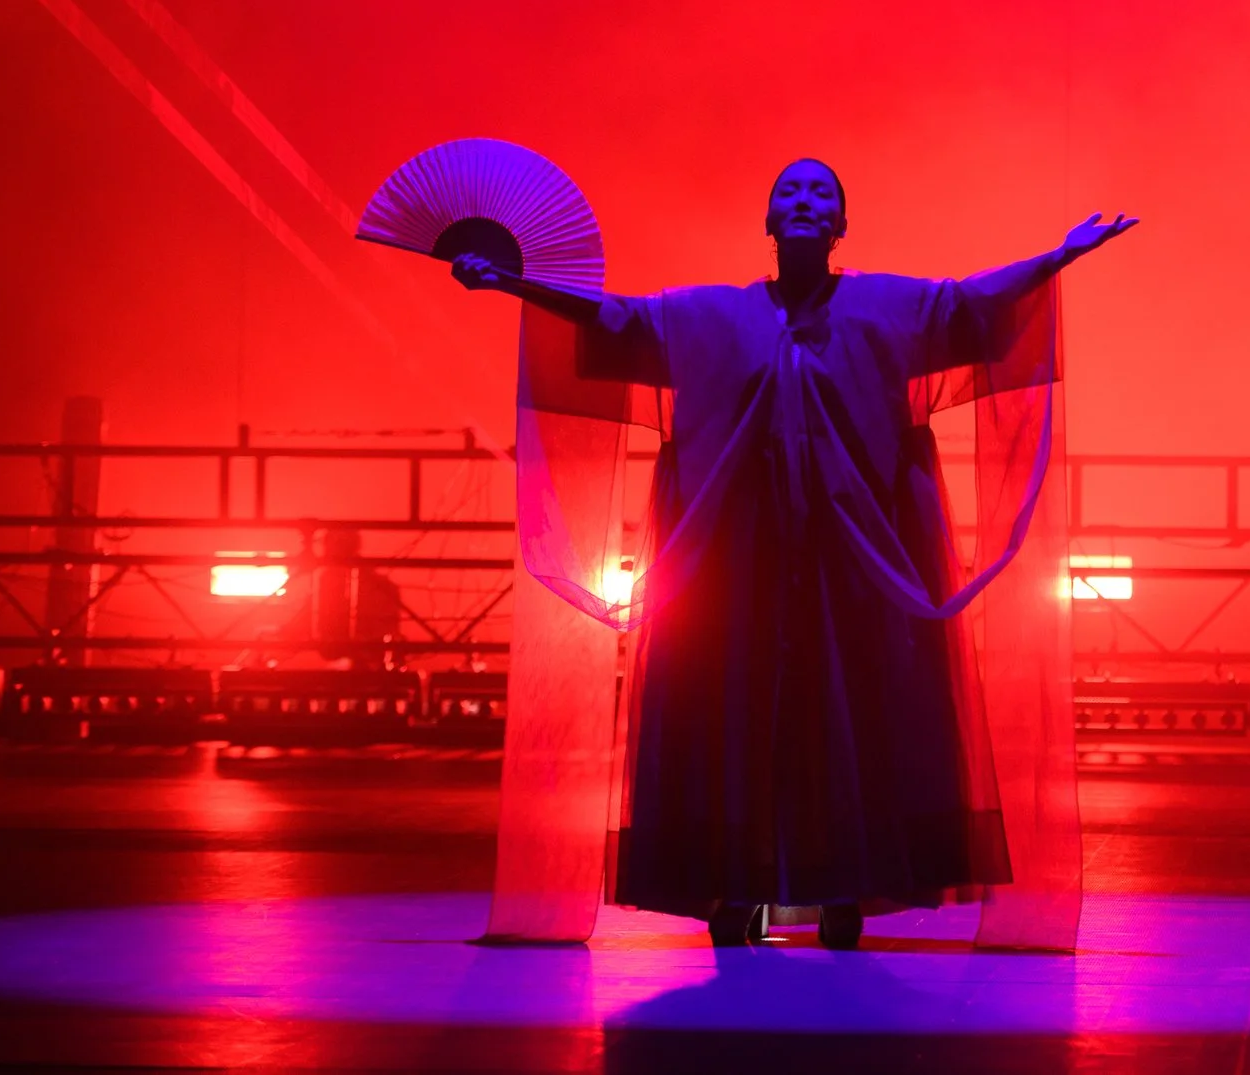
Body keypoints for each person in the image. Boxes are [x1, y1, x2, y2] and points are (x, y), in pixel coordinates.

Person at [452, 158, 1135, 948]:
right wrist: (513, 283)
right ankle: (733, 884)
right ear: (769, 221)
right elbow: (617, 321)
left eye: (821, 194)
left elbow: (972, 301)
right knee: (733, 714)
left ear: (841, 225)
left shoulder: (889, 306)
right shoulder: (710, 318)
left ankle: (845, 884)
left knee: (851, 717)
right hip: (737, 567)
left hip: (852, 567)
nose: (804, 202)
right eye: (789, 192)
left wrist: (1058, 255)